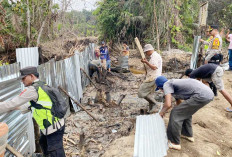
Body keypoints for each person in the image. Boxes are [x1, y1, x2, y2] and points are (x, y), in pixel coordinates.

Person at [0, 67, 65, 157]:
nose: (22, 81)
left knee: (55, 152)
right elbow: (37, 105)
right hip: (56, 124)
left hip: (52, 127)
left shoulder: (32, 89)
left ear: (31, 76)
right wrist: (15, 108)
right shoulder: (42, 85)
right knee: (43, 143)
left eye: (23, 78)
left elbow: (12, 103)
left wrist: (10, 106)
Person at [155, 76, 214, 150]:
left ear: (160, 86)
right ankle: (187, 134)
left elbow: (168, 104)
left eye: (160, 89)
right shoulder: (174, 84)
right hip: (208, 94)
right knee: (184, 112)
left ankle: (174, 143)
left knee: (175, 113)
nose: (161, 91)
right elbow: (179, 103)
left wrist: (161, 113)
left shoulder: (166, 84)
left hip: (201, 95)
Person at [138, 44, 162, 113]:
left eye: (146, 52)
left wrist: (146, 62)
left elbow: (154, 67)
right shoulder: (154, 56)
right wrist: (146, 62)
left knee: (141, 92)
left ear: (149, 51)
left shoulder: (155, 56)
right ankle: (151, 110)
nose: (146, 54)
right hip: (153, 77)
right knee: (150, 94)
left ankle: (154, 103)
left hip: (153, 77)